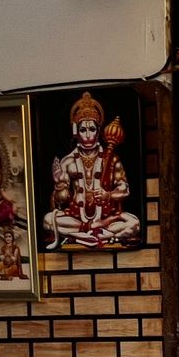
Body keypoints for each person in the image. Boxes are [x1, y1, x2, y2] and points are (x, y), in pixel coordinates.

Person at [44, 92, 140, 249]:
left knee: (134, 223)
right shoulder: (67, 161)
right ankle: (96, 233)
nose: (88, 135)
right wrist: (59, 183)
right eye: (83, 130)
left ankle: (81, 236)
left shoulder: (111, 159)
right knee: (48, 220)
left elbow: (124, 190)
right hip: (76, 218)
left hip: (106, 219)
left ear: (99, 131)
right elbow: (61, 200)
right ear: (76, 131)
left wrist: (108, 195)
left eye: (92, 129)